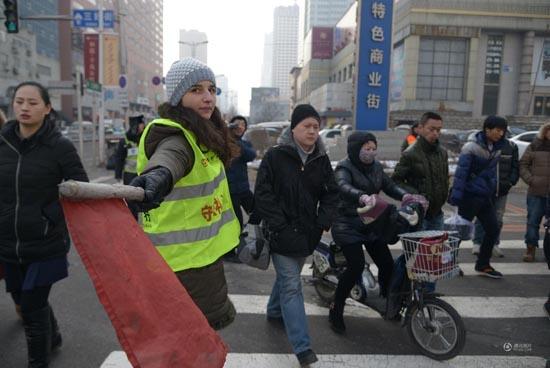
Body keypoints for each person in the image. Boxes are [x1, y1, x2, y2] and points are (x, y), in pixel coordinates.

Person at [128, 58, 241, 330]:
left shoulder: (204, 133)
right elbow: (170, 158)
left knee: (194, 339)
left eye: (212, 89)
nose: (207, 97)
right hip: (182, 264)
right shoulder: (176, 135)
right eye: (196, 90)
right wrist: (158, 177)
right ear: (178, 97)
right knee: (189, 339)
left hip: (202, 256)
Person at [0, 81, 88, 367]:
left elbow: (81, 187)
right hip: (8, 241)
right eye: (19, 101)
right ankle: (54, 336)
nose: (24, 107)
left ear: (47, 108)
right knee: (24, 297)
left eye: (33, 103)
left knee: (31, 306)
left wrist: (52, 215)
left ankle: (38, 361)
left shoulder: (59, 146)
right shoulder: (3, 141)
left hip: (46, 241)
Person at [254, 104, 339, 367]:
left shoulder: (321, 159)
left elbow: (331, 194)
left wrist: (322, 221)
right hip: (281, 233)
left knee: (287, 278)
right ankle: (303, 348)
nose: (313, 131)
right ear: (294, 129)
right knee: (292, 284)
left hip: (307, 234)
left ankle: (273, 310)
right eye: (307, 126)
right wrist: (279, 224)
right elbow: (263, 194)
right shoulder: (276, 156)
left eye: (316, 126)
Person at [329, 132, 408, 334]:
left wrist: (406, 195)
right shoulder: (344, 167)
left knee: (386, 264)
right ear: (356, 148)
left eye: (373, 149)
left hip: (370, 219)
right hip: (346, 222)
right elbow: (342, 185)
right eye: (367, 148)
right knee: (355, 266)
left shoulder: (376, 168)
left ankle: (385, 300)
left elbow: (389, 186)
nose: (371, 153)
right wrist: (361, 196)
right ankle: (336, 308)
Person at [449, 115, 508, 278]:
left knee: (493, 229)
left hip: (485, 196)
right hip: (469, 196)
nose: (500, 134)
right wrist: (456, 196)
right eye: (497, 130)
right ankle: (449, 263)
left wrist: (493, 190)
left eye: (503, 131)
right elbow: (461, 173)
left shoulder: (496, 147)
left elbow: (491, 174)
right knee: (459, 232)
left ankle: (483, 264)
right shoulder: (471, 147)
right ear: (487, 129)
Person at [393, 112, 448, 231]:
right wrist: (416, 195)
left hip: (437, 214)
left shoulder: (442, 153)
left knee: (435, 248)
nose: (435, 133)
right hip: (417, 213)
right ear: (421, 128)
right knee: (414, 248)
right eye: (431, 129)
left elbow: (444, 178)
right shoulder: (410, 153)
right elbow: (396, 181)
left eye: (438, 130)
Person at [472, 133, 519, 257]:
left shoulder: (511, 146)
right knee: (481, 216)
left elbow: (515, 166)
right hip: (484, 189)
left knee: (498, 218)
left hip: (502, 189)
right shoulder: (481, 145)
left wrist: (510, 182)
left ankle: (494, 244)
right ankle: (477, 242)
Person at [224, 115, 256, 261]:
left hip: (243, 189)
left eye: (243, 125)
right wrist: (228, 136)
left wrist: (236, 141)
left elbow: (251, 155)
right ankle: (230, 252)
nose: (240, 127)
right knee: (235, 221)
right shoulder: (223, 142)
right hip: (229, 191)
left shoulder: (244, 144)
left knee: (257, 212)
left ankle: (252, 241)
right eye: (237, 124)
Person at [519, 122, 550, 262]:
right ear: (545, 132)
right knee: (532, 222)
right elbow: (523, 165)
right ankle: (530, 249)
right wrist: (531, 180)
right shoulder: (534, 146)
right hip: (536, 191)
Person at [114, 115, 145, 185]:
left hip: (144, 173)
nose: (143, 125)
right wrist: (118, 175)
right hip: (129, 175)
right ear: (135, 125)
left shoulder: (146, 137)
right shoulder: (125, 140)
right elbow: (119, 158)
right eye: (141, 124)